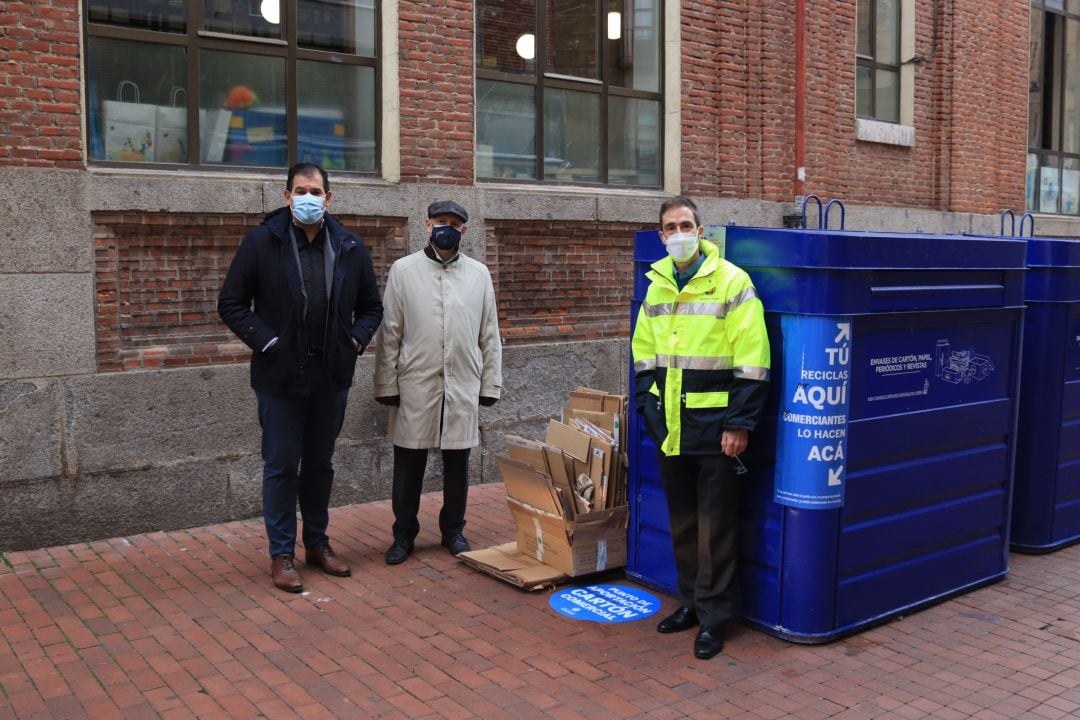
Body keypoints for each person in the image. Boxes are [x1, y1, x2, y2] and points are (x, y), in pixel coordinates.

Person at [218, 162, 383, 593]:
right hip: (281, 378)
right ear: (287, 195)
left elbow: (371, 307)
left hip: (331, 378)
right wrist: (268, 342)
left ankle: (317, 543)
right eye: (299, 190)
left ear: (329, 199)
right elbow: (232, 303)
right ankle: (282, 553)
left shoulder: (348, 245)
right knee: (280, 467)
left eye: (315, 191)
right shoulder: (262, 242)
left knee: (320, 466)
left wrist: (355, 341)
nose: (307, 197)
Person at [631, 196, 770, 659]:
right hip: (671, 429)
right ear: (661, 235)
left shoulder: (733, 282)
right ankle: (690, 603)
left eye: (686, 224)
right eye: (671, 227)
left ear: (701, 230)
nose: (679, 233)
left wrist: (739, 424)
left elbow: (753, 360)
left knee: (717, 529)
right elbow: (643, 353)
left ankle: (713, 619)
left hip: (717, 431)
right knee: (685, 524)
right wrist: (648, 407)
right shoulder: (657, 285)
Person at [374, 200, 502, 565]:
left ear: (465, 230)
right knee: (408, 465)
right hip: (416, 382)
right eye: (440, 221)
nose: (447, 227)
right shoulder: (404, 271)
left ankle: (453, 530)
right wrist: (386, 384)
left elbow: (489, 333)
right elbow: (390, 333)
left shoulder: (479, 274)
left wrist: (490, 383)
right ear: (427, 225)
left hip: (462, 382)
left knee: (457, 463)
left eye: (455, 223)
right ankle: (403, 535)